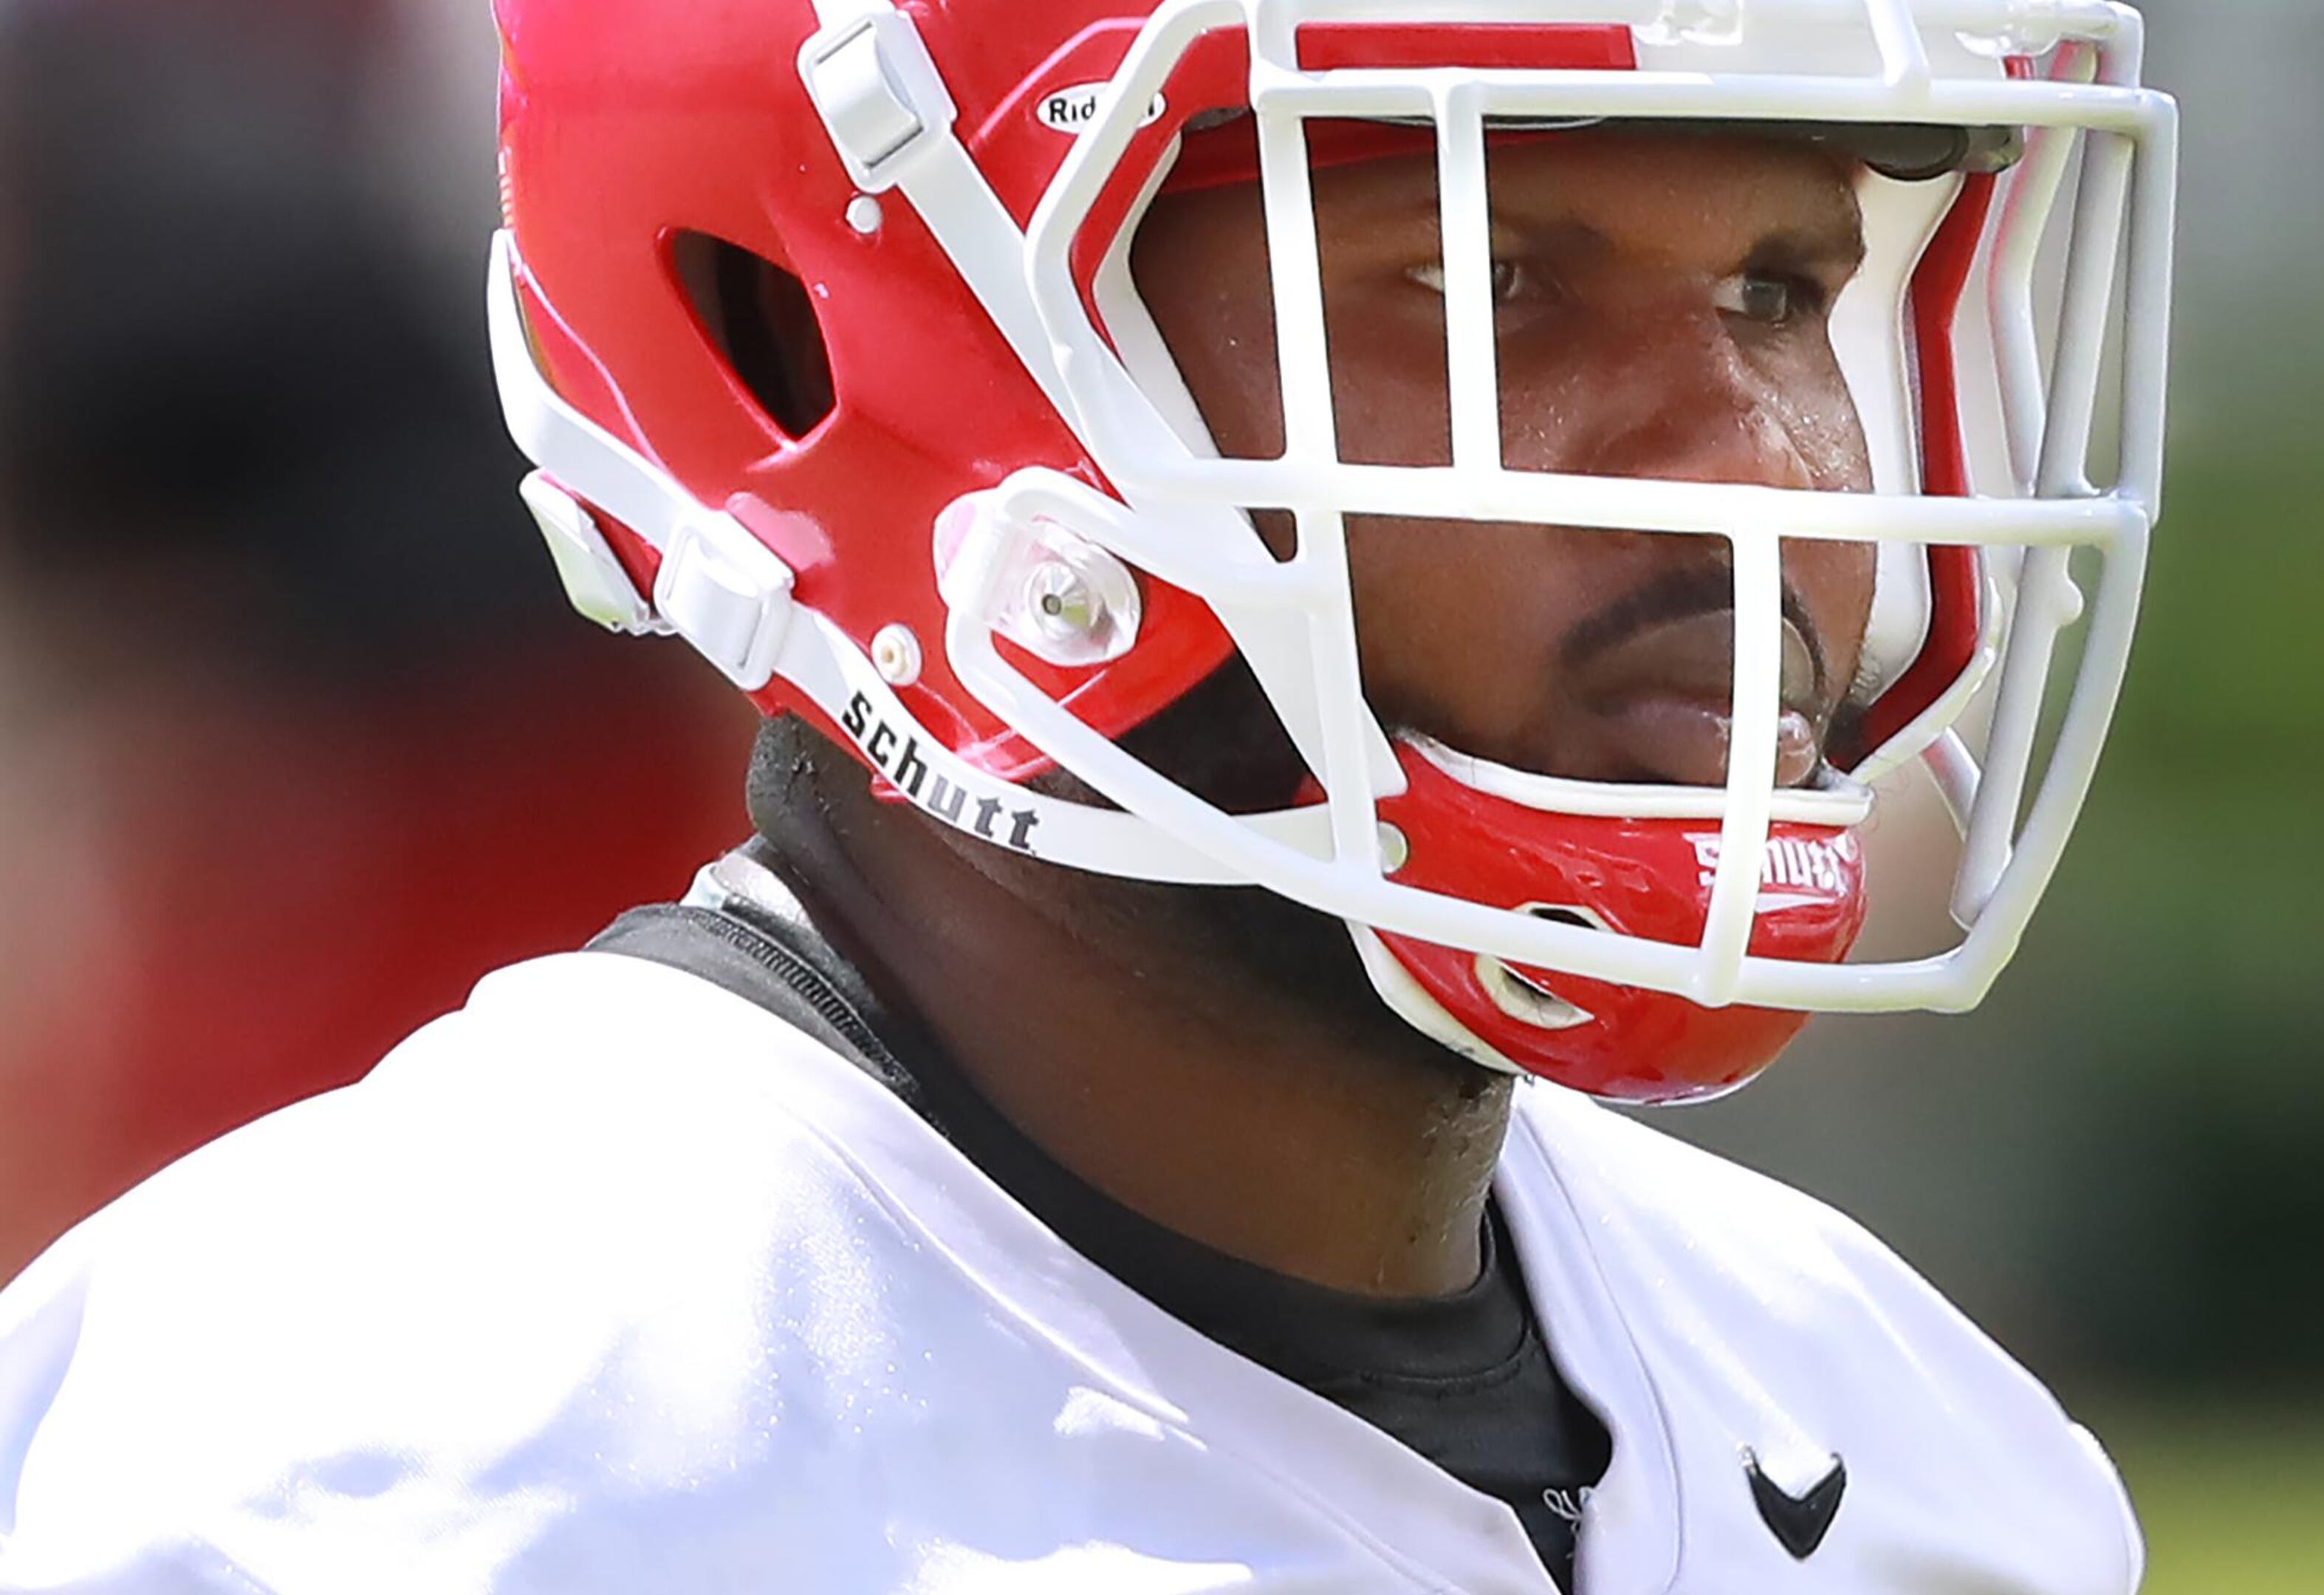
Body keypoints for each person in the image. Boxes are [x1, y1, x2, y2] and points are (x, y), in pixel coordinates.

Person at [0, 1, 2177, 1589]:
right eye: (1487, 280)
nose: (1757, 477)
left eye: (1778, 289)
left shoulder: (1922, 1450)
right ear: (824, 357)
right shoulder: (368, 1487)